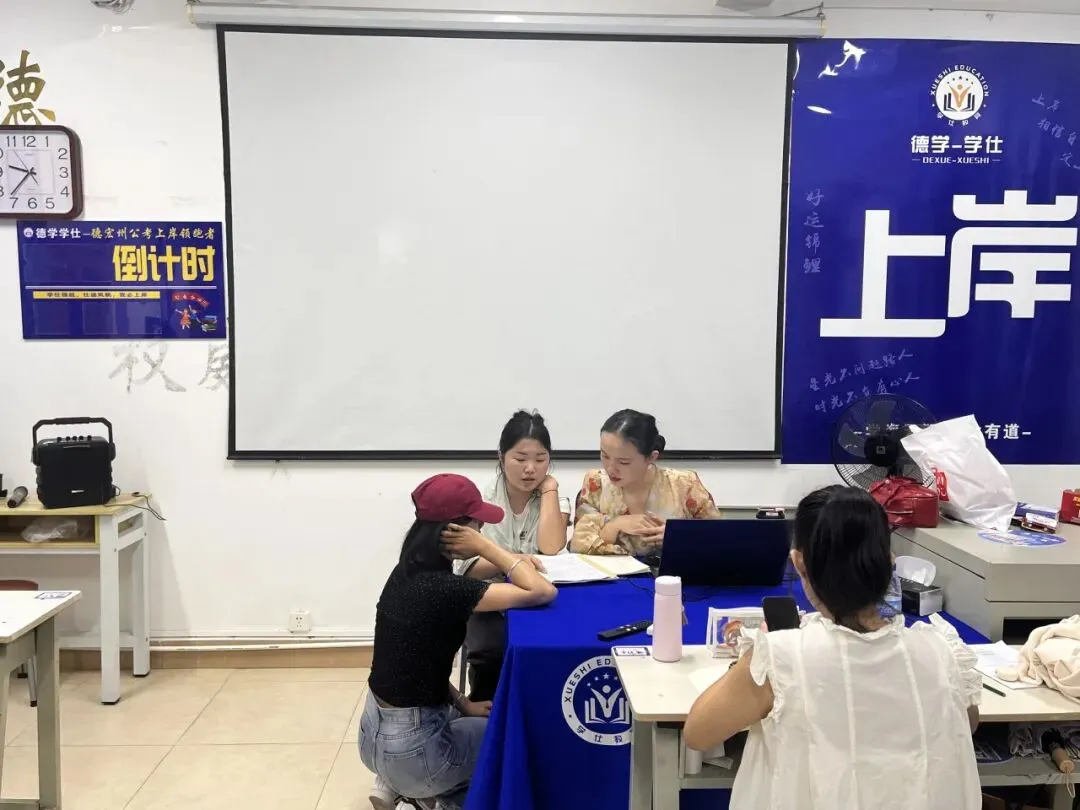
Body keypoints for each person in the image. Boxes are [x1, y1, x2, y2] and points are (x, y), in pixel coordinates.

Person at [683, 486, 982, 810]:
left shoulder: (781, 658)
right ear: (889, 563)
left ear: (799, 563)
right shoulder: (941, 652)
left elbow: (698, 734)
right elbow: (965, 725)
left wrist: (752, 658)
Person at [362, 474, 557, 810]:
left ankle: (408, 787)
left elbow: (417, 666)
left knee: (474, 724)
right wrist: (488, 548)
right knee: (512, 739)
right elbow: (542, 591)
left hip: (373, 737)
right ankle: (435, 795)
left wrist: (464, 704)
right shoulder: (445, 590)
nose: (482, 530)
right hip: (413, 752)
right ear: (455, 532)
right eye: (477, 526)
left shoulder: (406, 572)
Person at [457, 410, 571, 702]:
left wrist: (550, 488)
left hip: (541, 593)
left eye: (541, 459)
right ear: (501, 457)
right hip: (491, 595)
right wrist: (515, 560)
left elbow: (551, 548)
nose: (530, 469)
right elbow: (469, 569)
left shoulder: (554, 498)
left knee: (561, 641)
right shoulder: (481, 501)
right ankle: (486, 710)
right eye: (520, 459)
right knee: (492, 649)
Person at [570, 409, 719, 557]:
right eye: (605, 456)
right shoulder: (596, 483)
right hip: (614, 572)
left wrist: (678, 536)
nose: (610, 468)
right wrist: (615, 525)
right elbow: (579, 545)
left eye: (623, 462)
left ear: (651, 457)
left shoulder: (684, 484)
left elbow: (719, 538)